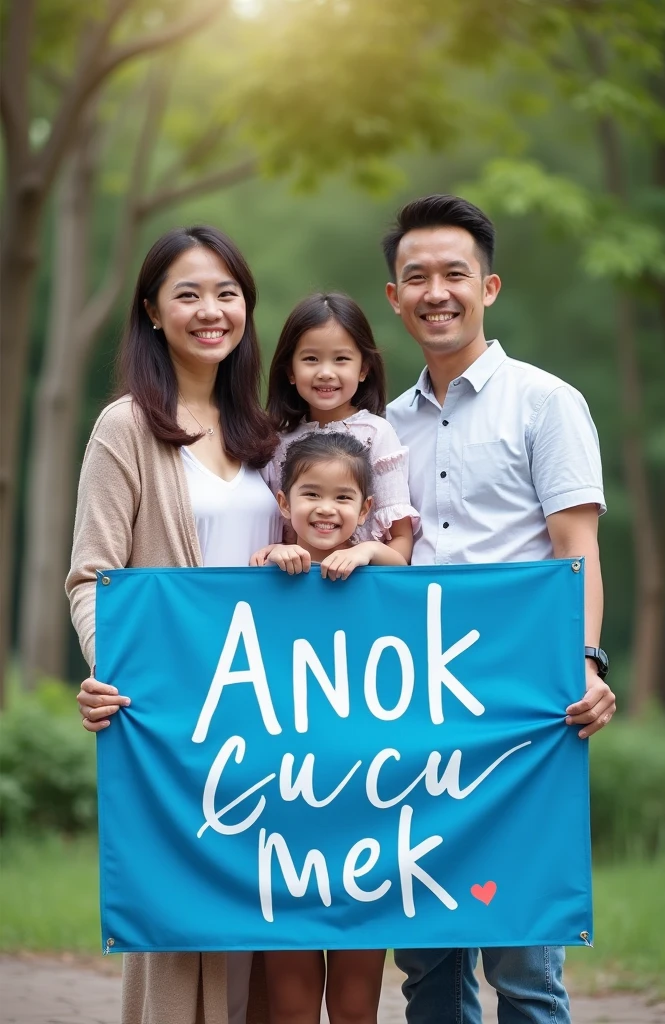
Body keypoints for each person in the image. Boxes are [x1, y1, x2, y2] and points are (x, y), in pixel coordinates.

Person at [382, 194, 616, 1024]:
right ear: (394, 297)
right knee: (429, 969)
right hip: (409, 707)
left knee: (523, 965)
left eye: (455, 274)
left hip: (521, 712)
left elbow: (575, 549)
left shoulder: (546, 402)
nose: (436, 292)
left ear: (490, 287)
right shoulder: (381, 428)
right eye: (417, 277)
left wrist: (586, 663)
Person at [66, 225, 280, 1024]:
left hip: (276, 718)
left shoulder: (268, 431)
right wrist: (113, 669)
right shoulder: (126, 428)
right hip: (179, 719)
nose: (210, 310)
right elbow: (92, 575)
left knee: (271, 932)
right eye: (188, 294)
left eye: (227, 293)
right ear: (153, 312)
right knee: (185, 931)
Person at [252, 430, 400, 1022]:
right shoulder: (263, 574)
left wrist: (368, 552)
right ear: (283, 503)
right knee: (289, 1000)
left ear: (366, 511)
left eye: (343, 499)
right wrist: (274, 558)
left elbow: (400, 559)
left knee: (356, 1002)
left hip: (366, 822)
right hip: (284, 825)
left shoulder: (382, 577)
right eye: (310, 494)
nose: (326, 509)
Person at [261, 292, 419, 565]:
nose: (325, 372)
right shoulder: (277, 441)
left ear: (363, 369)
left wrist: (365, 551)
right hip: (294, 589)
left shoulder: (376, 434)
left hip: (361, 590)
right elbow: (276, 531)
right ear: (290, 371)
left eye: (341, 359)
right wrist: (274, 552)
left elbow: (401, 541)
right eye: (311, 359)